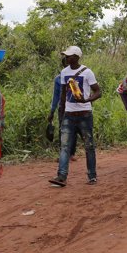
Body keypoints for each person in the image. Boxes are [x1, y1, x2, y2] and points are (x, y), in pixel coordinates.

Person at [49, 46, 101, 187]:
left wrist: (86, 100)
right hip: (69, 115)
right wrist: (61, 112)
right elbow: (64, 95)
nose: (67, 58)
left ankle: (92, 175)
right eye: (66, 56)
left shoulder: (88, 72)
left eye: (69, 56)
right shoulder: (64, 72)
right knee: (65, 146)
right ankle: (61, 176)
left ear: (77, 57)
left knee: (89, 146)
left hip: (84, 114)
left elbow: (98, 91)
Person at [48, 55, 77, 160]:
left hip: (73, 106)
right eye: (66, 63)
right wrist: (52, 111)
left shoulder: (75, 77)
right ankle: (64, 154)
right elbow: (55, 96)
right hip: (62, 107)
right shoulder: (58, 79)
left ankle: (71, 153)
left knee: (73, 129)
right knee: (62, 130)